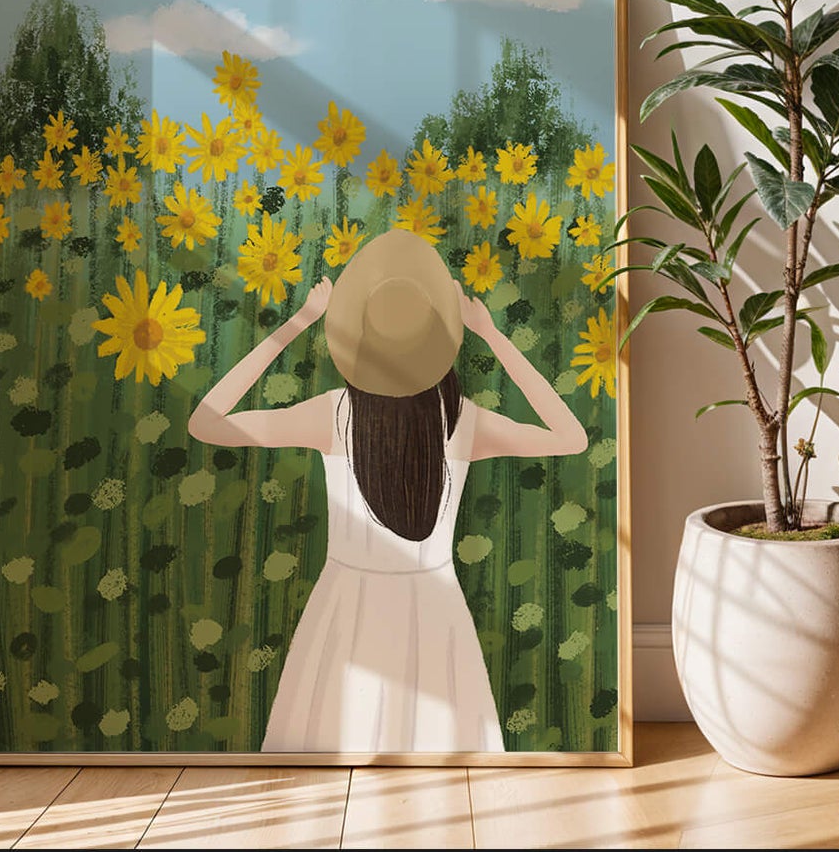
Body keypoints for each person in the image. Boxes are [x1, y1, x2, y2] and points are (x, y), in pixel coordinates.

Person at [188, 229, 588, 753]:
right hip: (433, 609)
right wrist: (492, 334)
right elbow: (571, 438)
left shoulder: (332, 415)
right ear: (439, 341)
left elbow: (206, 422)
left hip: (345, 608)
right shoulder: (461, 422)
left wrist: (298, 323)